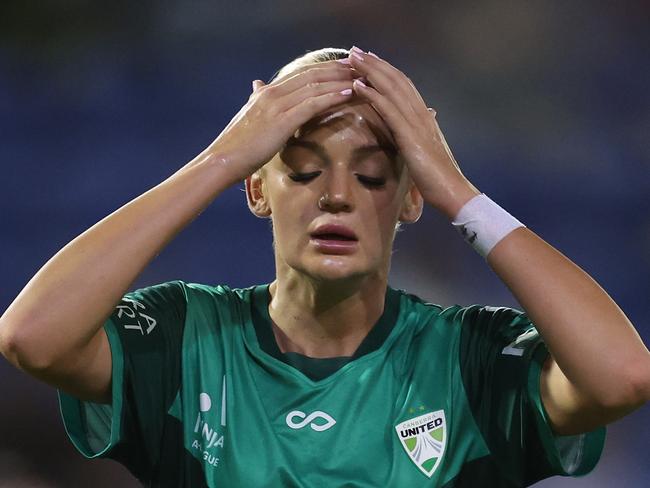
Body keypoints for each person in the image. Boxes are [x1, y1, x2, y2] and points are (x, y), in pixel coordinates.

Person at [0, 45, 648, 487]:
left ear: (410, 196)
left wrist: (458, 191)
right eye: (303, 168)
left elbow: (622, 375)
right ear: (258, 191)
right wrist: (220, 162)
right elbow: (31, 336)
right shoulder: (186, 338)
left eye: (372, 175)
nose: (337, 193)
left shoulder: (471, 357)